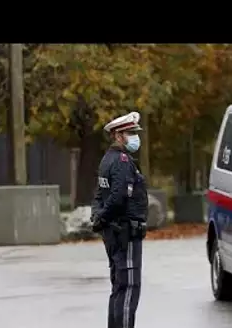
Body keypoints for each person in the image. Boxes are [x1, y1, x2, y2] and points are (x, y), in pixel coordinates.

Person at [91, 111, 148, 328]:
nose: (135, 137)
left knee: (118, 288)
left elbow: (99, 195)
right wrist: (103, 216)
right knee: (128, 288)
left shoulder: (107, 160)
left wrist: (98, 217)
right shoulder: (122, 161)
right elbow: (118, 197)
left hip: (112, 231)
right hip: (126, 232)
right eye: (130, 132)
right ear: (117, 136)